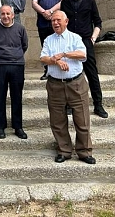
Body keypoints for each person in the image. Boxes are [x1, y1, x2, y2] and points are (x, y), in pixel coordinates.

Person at [40, 10, 95, 164]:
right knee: (57, 120)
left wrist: (63, 54)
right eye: (53, 21)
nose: (55, 23)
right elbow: (43, 58)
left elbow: (82, 55)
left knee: (82, 119)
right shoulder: (48, 40)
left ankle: (84, 151)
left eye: (58, 20)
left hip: (76, 84)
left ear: (66, 21)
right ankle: (64, 150)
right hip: (55, 85)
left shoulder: (75, 38)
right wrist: (55, 61)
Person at [60, 0, 108, 119]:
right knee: (68, 73)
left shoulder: (90, 2)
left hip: (86, 42)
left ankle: (98, 105)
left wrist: (93, 38)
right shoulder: (65, 3)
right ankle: (69, 104)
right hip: (70, 42)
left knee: (92, 73)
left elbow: (97, 22)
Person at [0, 5, 28, 139]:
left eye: (8, 14)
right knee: (0, 97)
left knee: (17, 97)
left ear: (13, 15)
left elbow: (24, 45)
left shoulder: (20, 28)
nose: (5, 16)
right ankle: (0, 127)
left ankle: (18, 127)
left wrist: (15, 56)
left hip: (17, 66)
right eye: (3, 14)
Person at [32, 0, 68, 80]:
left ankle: (60, 68)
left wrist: (51, 11)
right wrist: (43, 12)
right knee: (45, 46)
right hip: (43, 23)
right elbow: (34, 3)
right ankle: (47, 71)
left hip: (57, 23)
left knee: (58, 45)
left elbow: (63, 1)